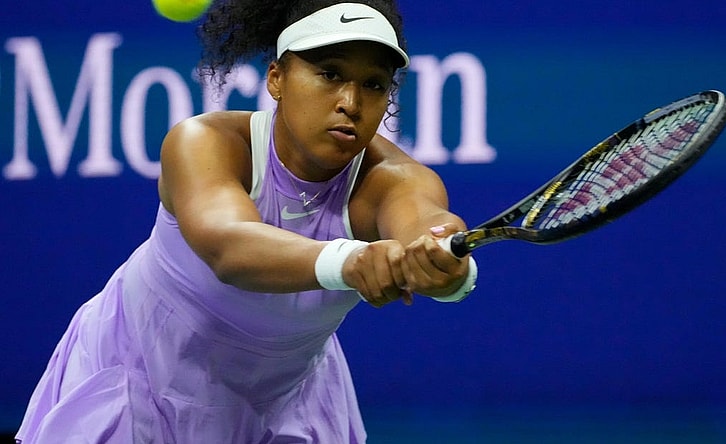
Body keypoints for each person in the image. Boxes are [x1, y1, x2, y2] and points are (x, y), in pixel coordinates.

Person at [15, 0, 478, 442]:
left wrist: (444, 265)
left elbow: (429, 223)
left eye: (374, 84)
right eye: (329, 74)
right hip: (140, 375)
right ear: (277, 78)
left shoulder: (394, 179)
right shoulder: (203, 142)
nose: (351, 102)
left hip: (283, 401)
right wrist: (353, 260)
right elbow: (229, 247)